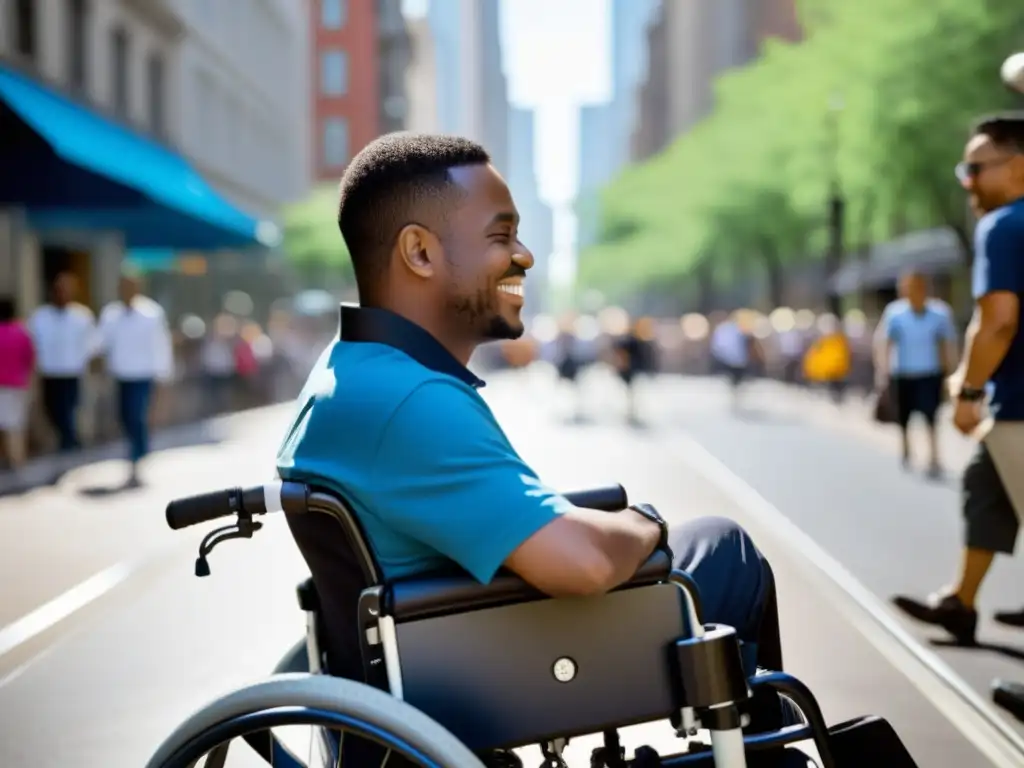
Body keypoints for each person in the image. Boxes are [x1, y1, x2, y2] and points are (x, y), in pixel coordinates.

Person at [276, 134, 788, 766]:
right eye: (501, 235)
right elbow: (581, 565)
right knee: (724, 547)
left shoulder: (348, 372)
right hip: (480, 673)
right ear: (420, 251)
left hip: (430, 660)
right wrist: (646, 525)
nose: (525, 256)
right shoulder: (412, 400)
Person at [892, 114, 1024, 646]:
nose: (966, 181)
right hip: (1012, 406)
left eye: (976, 168)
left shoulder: (1004, 226)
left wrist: (968, 391)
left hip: (1019, 407)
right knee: (983, 484)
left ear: (1017, 166)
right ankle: (960, 603)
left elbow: (997, 320)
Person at [873, 271, 958, 477]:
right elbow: (884, 343)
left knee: (931, 415)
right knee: (904, 415)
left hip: (930, 372)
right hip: (902, 373)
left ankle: (934, 456)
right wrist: (883, 372)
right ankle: (906, 449)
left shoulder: (940, 313)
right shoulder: (895, 313)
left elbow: (948, 345)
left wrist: (952, 373)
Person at [97, 273, 173, 486]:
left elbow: (161, 345)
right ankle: (136, 449)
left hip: (143, 374)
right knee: (125, 416)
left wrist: (164, 375)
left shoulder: (151, 313)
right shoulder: (111, 314)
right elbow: (101, 342)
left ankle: (138, 453)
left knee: (136, 414)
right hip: (121, 375)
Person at [27, 272, 95, 453]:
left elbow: (91, 343)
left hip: (72, 371)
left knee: (69, 407)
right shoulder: (40, 316)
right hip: (50, 372)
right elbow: (33, 343)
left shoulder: (81, 315)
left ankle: (69, 440)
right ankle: (69, 438)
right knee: (52, 408)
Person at [0, 296, 35, 470]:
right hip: (18, 384)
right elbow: (30, 358)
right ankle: (17, 459)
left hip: (2, 385)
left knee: (4, 423)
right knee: (16, 423)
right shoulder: (21, 332)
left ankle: (6, 456)